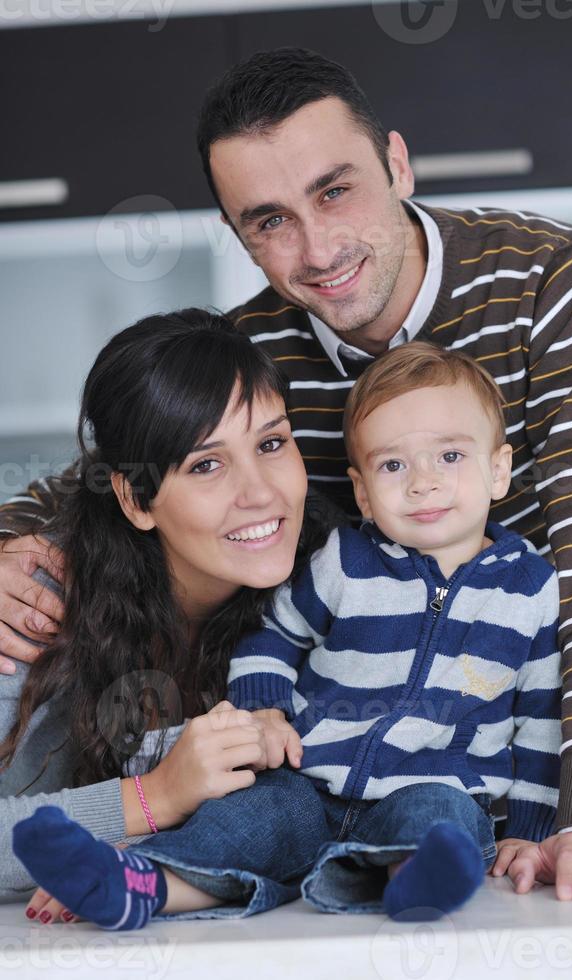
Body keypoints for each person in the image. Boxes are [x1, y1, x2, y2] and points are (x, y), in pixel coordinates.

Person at [0, 48, 572, 900]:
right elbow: (113, 479)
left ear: (396, 164)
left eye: (335, 190)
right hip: (323, 780)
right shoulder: (255, 348)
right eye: (269, 220)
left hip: (502, 800)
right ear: (237, 233)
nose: (317, 249)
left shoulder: (550, 279)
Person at [13, 342, 562, 926]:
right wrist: (263, 711)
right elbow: (275, 635)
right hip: (306, 778)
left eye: (450, 456)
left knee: (439, 818)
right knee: (245, 821)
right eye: (394, 466)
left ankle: (415, 883)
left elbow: (541, 722)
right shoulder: (342, 563)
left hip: (433, 784)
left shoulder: (530, 591)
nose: (423, 484)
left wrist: (529, 831)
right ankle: (137, 885)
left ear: (499, 469)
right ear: (362, 492)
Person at [0, 308, 339, 923]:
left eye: (271, 443)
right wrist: (156, 797)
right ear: (134, 499)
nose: (261, 492)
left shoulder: (335, 588)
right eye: (206, 465)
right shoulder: (31, 606)